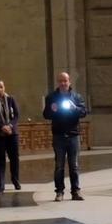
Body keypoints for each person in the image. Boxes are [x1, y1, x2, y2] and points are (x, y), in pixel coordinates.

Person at [43, 72, 87, 201]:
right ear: (58, 82)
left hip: (73, 135)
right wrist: (52, 109)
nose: (63, 83)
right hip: (59, 135)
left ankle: (75, 191)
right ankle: (59, 192)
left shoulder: (77, 97)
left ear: (69, 82)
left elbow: (84, 112)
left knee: (74, 165)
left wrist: (75, 108)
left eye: (65, 81)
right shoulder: (51, 97)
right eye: (60, 81)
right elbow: (46, 114)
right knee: (59, 165)